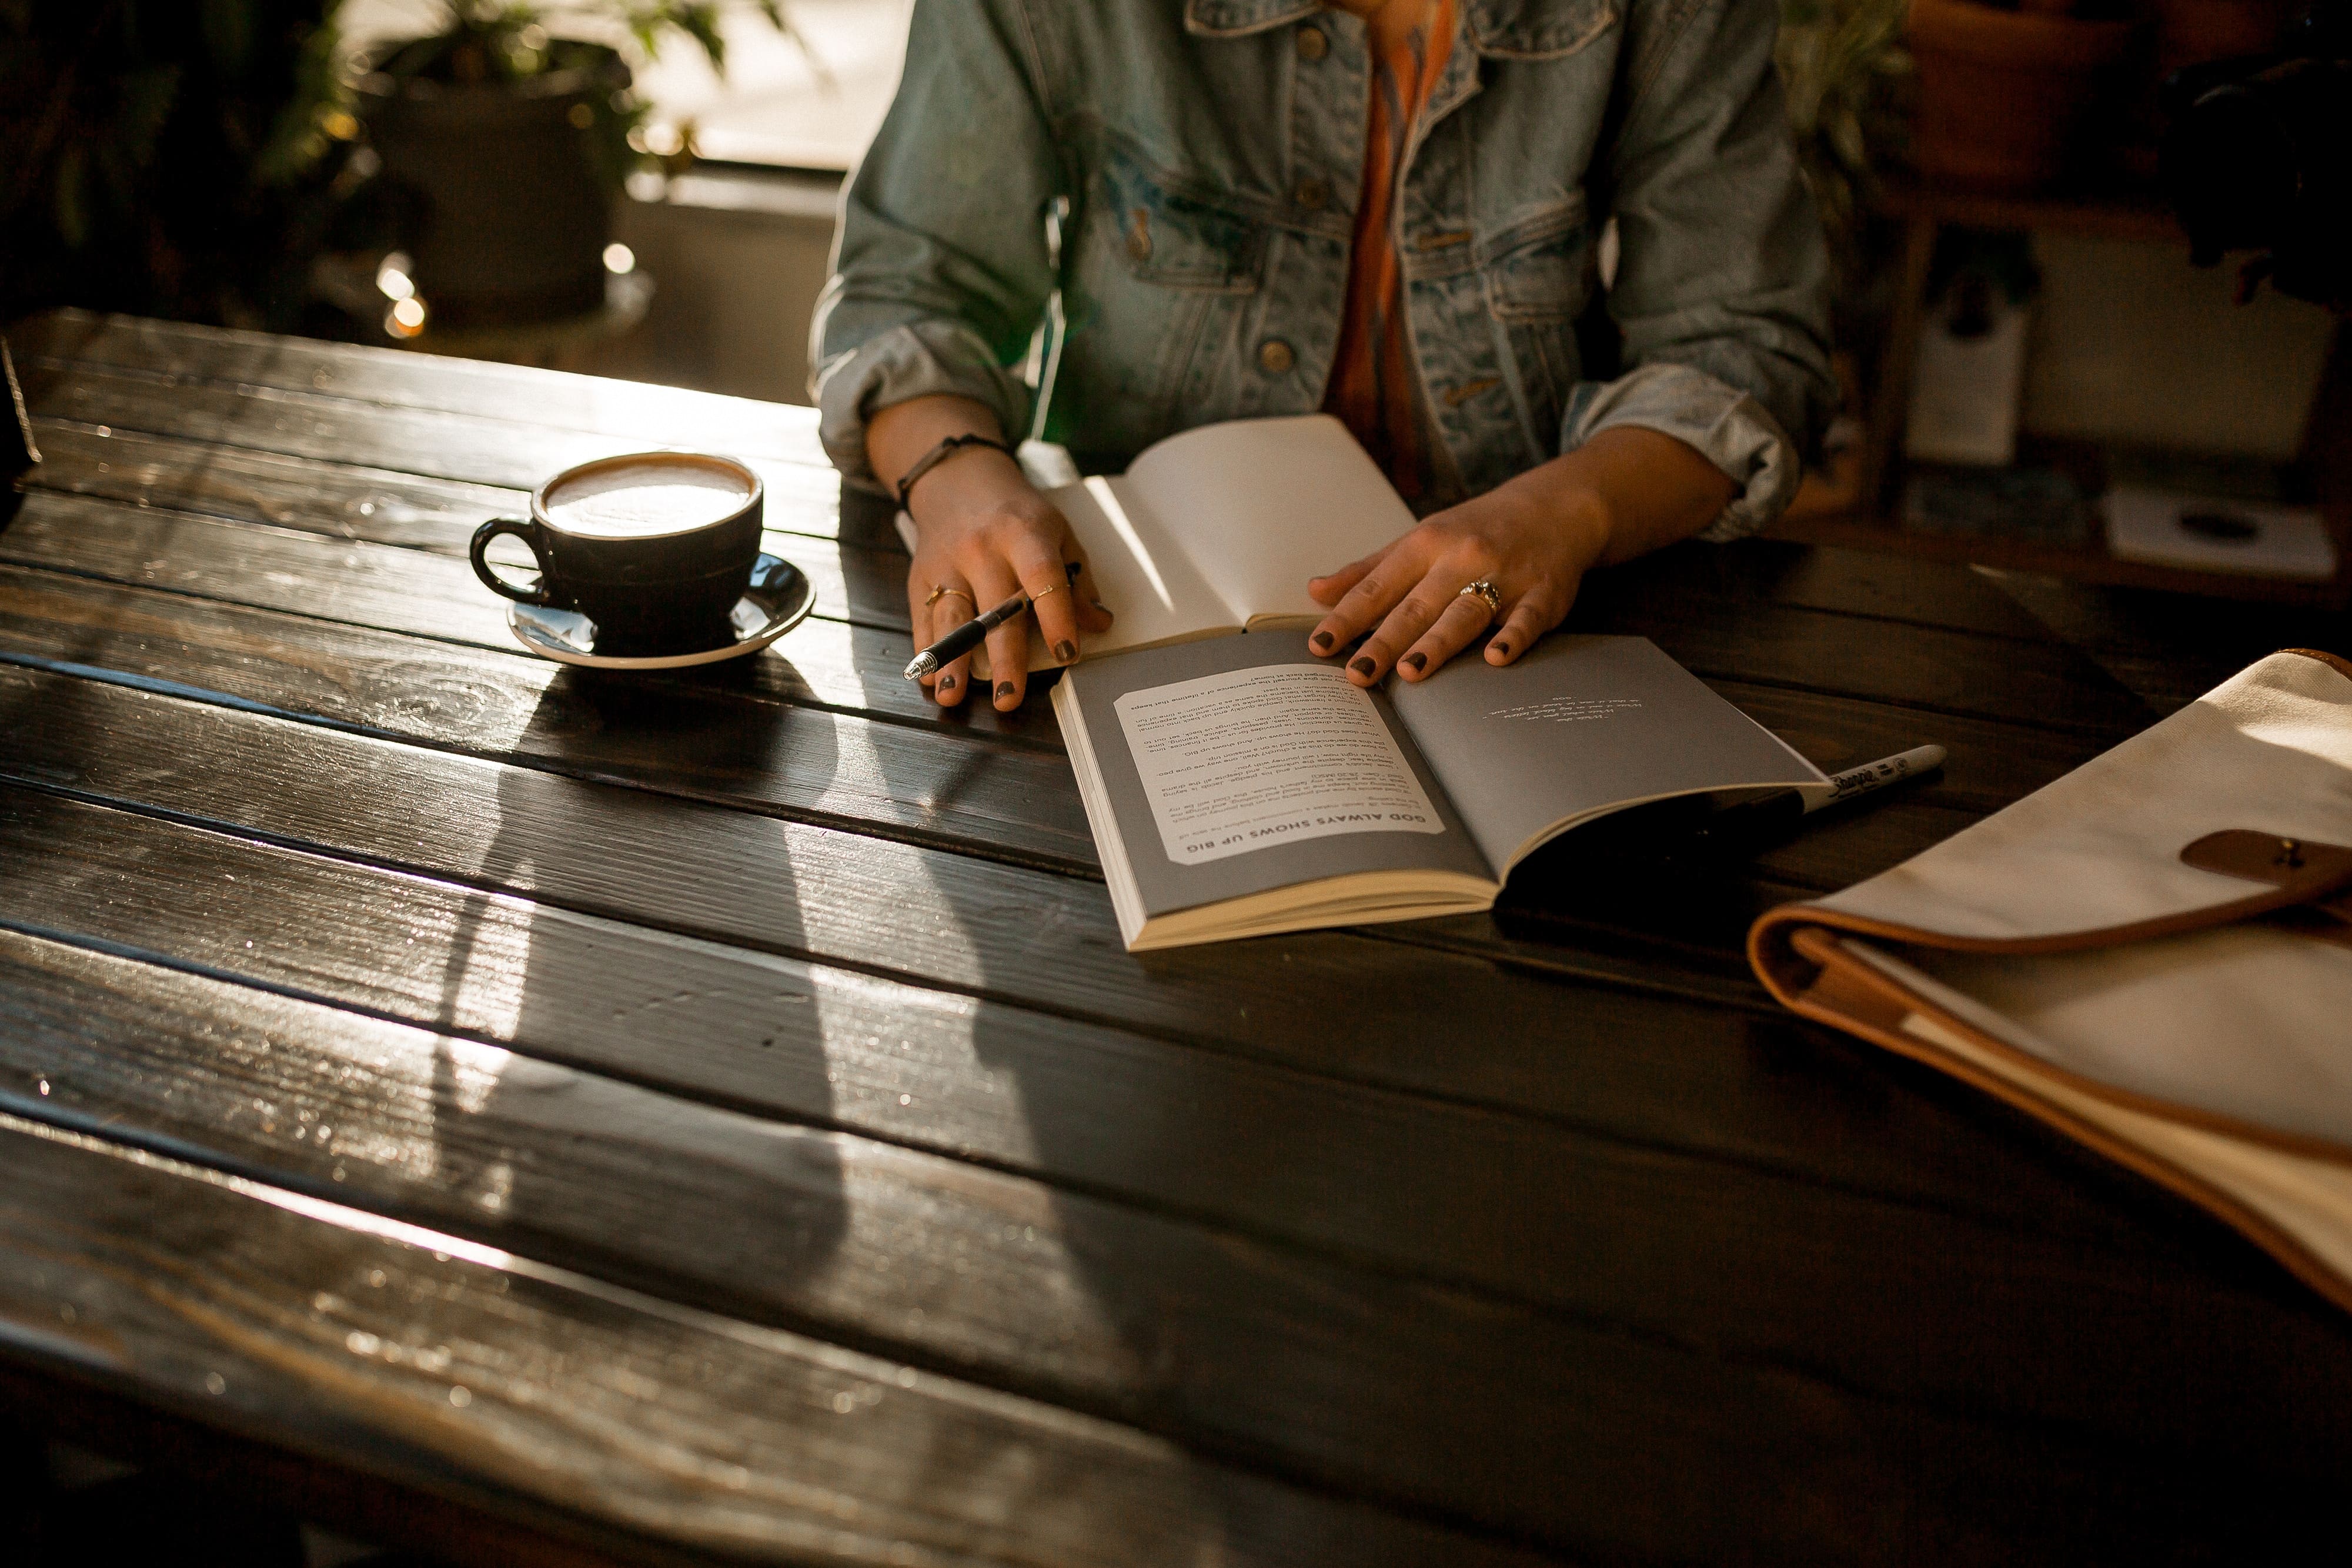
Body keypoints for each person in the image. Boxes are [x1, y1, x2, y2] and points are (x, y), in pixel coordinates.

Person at [813, 0, 1835, 710]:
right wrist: (960, 481)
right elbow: (914, 282)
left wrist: (1563, 513)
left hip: (1523, 634)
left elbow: (1739, 347)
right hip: (1123, 621)